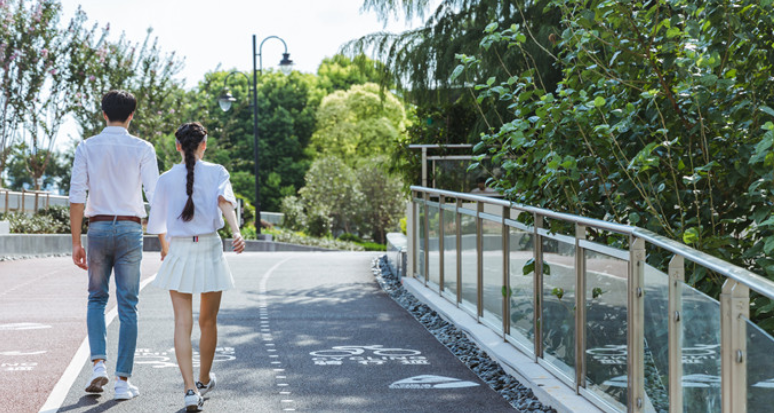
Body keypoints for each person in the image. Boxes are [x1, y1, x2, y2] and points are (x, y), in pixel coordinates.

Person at [146, 122, 246, 411]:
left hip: (179, 249)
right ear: (205, 145)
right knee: (208, 321)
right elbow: (225, 203)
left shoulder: (165, 179)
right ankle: (203, 379)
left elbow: (159, 225)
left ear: (178, 146)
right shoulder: (218, 172)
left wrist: (166, 249)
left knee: (182, 322)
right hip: (210, 248)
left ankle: (190, 389)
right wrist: (236, 232)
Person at [69, 90, 159, 400]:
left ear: (103, 114)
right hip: (131, 230)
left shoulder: (86, 147)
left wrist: (76, 242)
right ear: (132, 115)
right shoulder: (143, 148)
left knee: (96, 298)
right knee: (128, 305)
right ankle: (122, 382)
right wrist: (163, 238)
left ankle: (97, 365)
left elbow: (77, 196)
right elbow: (156, 194)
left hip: (98, 228)